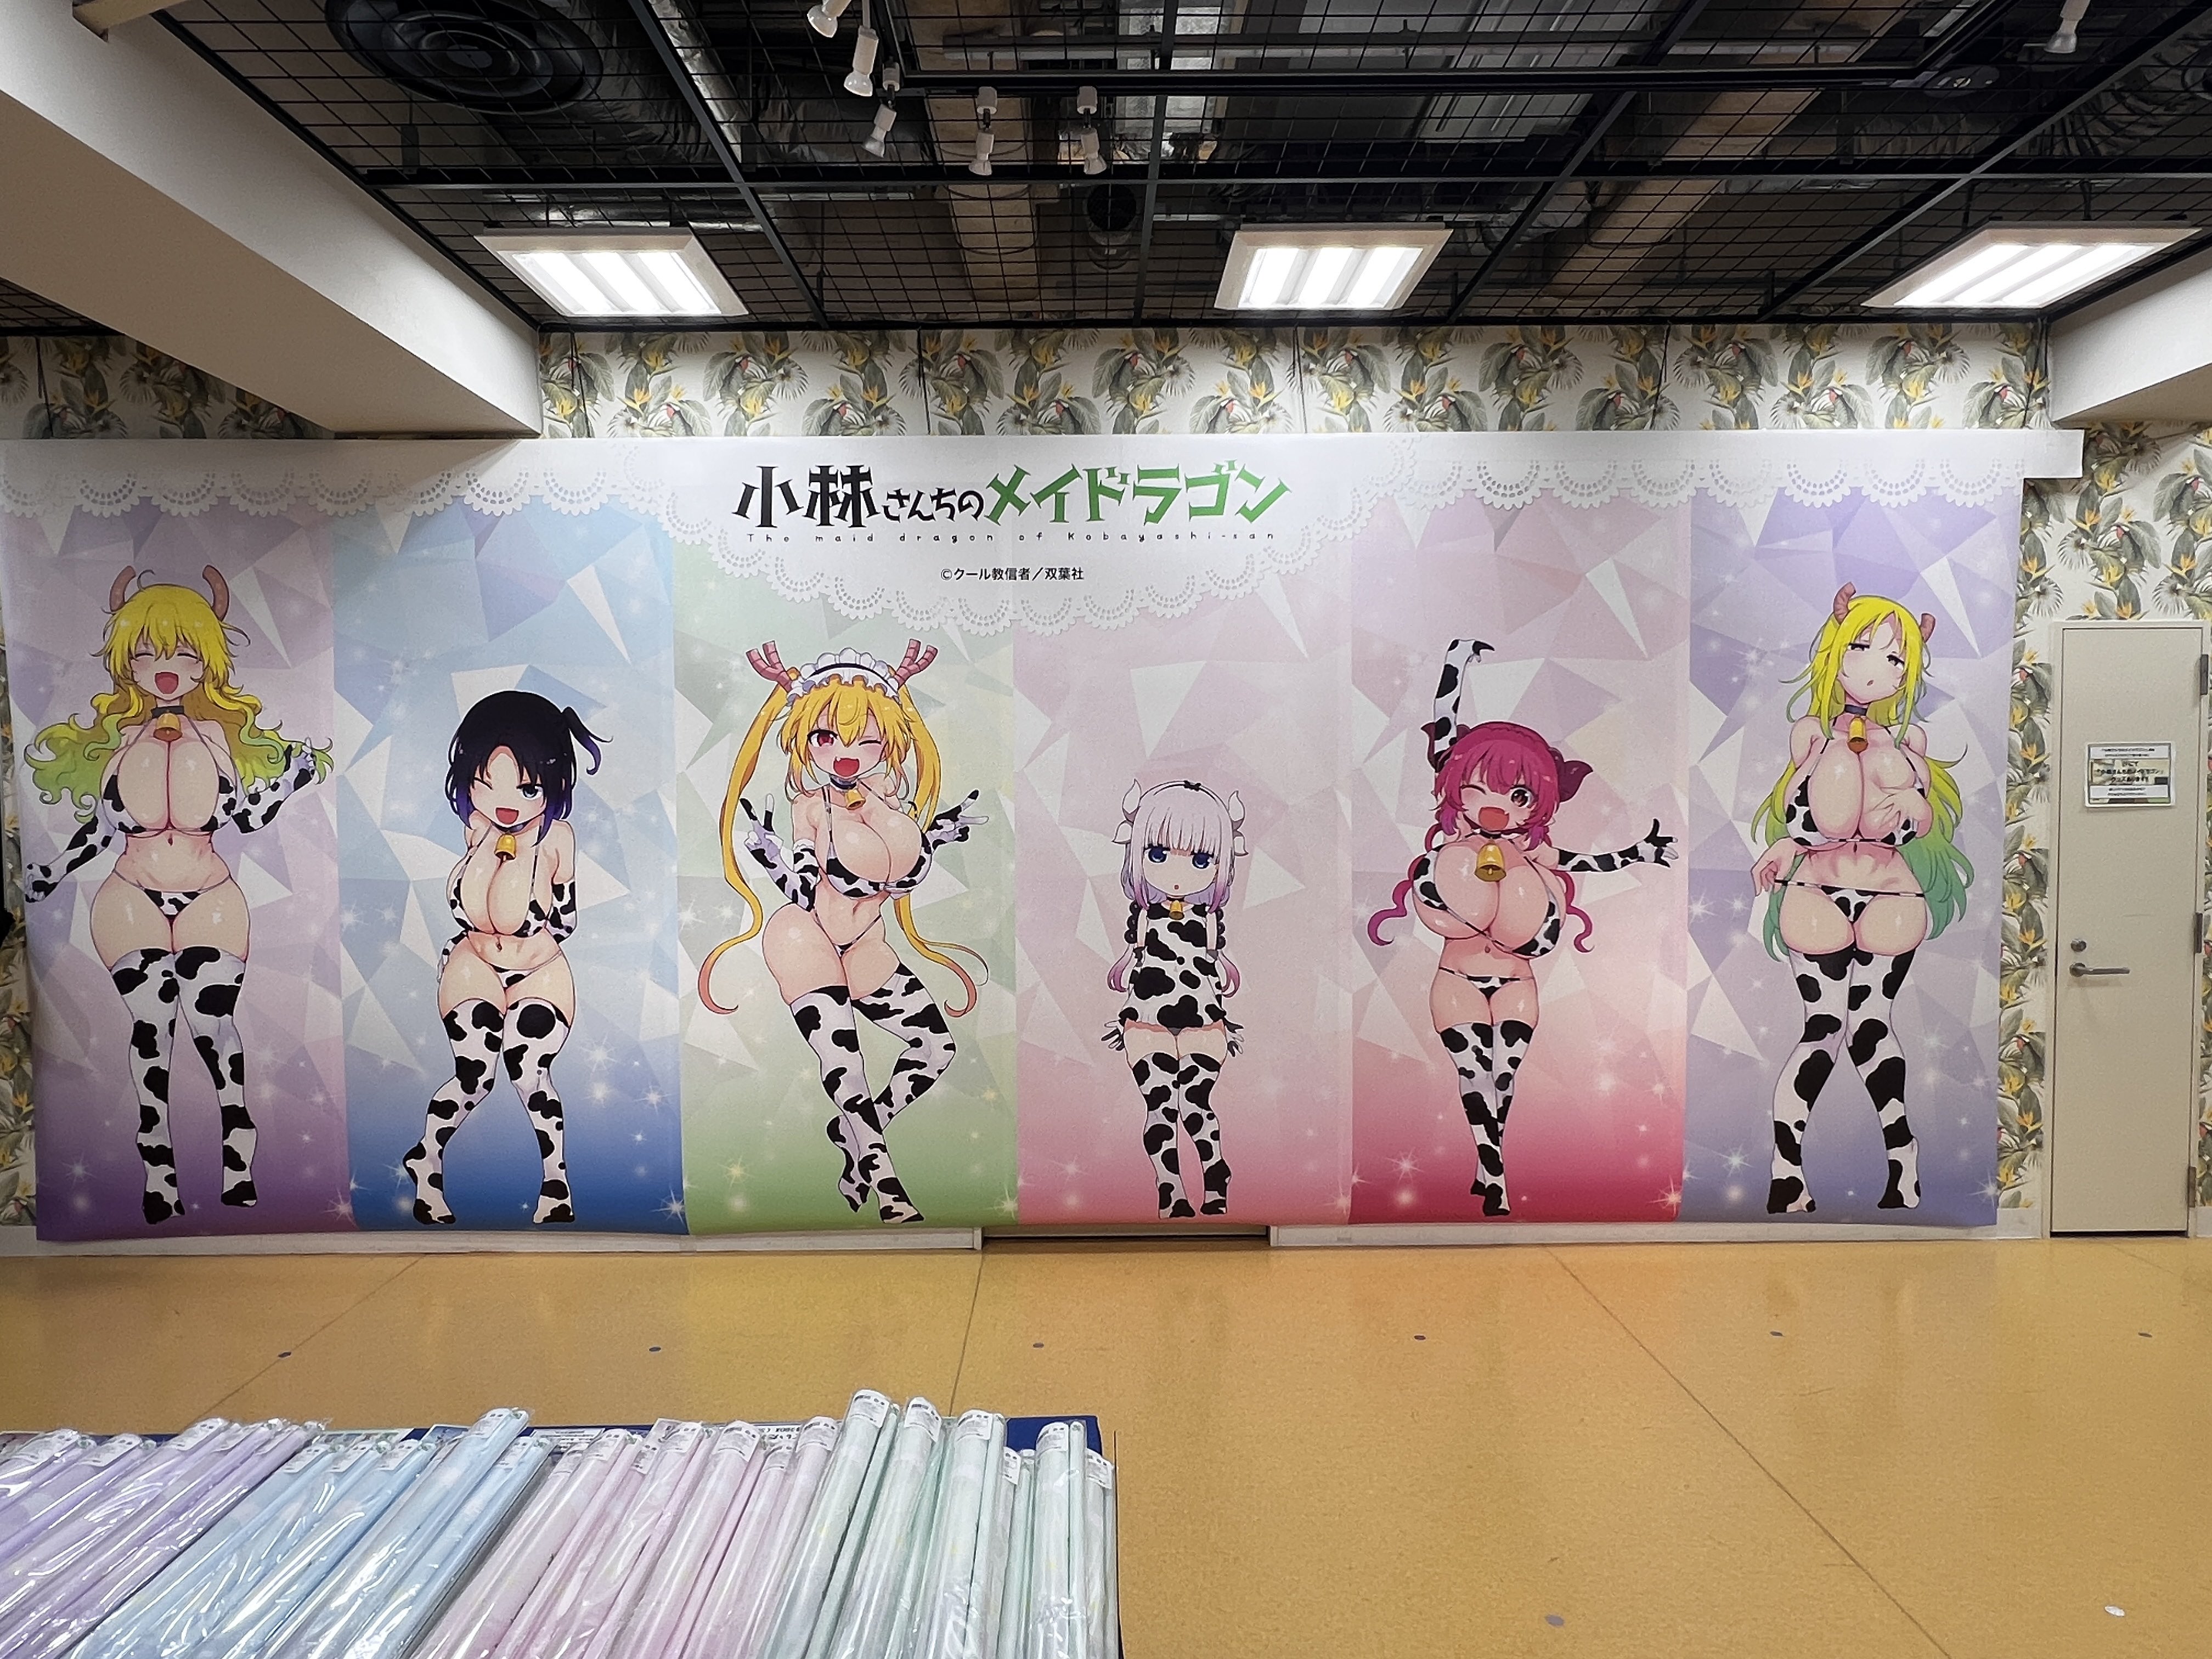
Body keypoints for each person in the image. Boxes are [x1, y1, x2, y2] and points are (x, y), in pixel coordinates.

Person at [24, 566, 328, 1224]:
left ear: (206, 662)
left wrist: (290, 781)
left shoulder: (217, 739)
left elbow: (245, 817)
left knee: (213, 1026)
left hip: (209, 896)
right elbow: (102, 830)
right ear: (127, 661)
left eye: (186, 653)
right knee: (151, 1029)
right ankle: (158, 1167)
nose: (166, 668)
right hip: (129, 896)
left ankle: (237, 1149)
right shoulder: (119, 741)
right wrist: (52, 871)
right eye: (148, 653)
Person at [1370, 638, 1672, 1215]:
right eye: (1479, 787)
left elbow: (1587, 863)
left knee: (1501, 1079)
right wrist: (1455, 663)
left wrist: (1640, 852)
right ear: (1459, 785)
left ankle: (1486, 1165)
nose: (1495, 806)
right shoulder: (1454, 845)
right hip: (1457, 982)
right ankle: (1496, 1176)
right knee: (1473, 1074)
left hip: (1517, 984)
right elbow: (1444, 729)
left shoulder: (1534, 854)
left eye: (1515, 794)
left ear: (1536, 801)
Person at [701, 640, 985, 1225]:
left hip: (866, 946)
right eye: (826, 738)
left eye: (866, 740)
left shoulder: (891, 802)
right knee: (847, 1067)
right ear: (806, 742)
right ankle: (889, 1190)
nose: (846, 755)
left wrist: (942, 831)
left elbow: (903, 863)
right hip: (807, 942)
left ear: (888, 743)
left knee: (937, 1047)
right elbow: (806, 889)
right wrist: (772, 857)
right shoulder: (811, 807)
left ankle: (852, 1133)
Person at [1750, 585, 1971, 1212]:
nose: (1877, 667)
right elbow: (1802, 815)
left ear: (1908, 673)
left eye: (1896, 658)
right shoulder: (1810, 735)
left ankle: (1903, 1160)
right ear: (1836, 650)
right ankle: (1786, 1170)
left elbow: (1922, 824)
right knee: (1824, 1027)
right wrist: (1784, 845)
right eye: (1862, 647)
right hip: (1817, 888)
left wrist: (1919, 806)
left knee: (1872, 1025)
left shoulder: (1910, 743)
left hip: (1890, 890)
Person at [402, 690, 603, 1225]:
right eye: (486, 783)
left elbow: (566, 919)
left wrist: (530, 931)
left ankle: (556, 1185)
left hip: (538, 971)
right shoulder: (477, 828)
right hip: (473, 965)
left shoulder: (557, 839)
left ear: (552, 784)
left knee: (530, 1073)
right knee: (474, 1077)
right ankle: (427, 1161)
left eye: (528, 787)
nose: (506, 802)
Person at [1106, 780, 1245, 1218]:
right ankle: (1170, 1188)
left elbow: (1213, 959)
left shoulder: (1208, 921)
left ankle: (1215, 1172)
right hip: (1146, 1017)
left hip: (1203, 1016)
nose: (1177, 873)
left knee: (1194, 1103)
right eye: (1158, 854)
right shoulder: (1145, 919)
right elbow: (1136, 955)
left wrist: (1223, 972)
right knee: (1160, 1106)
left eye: (1202, 860)